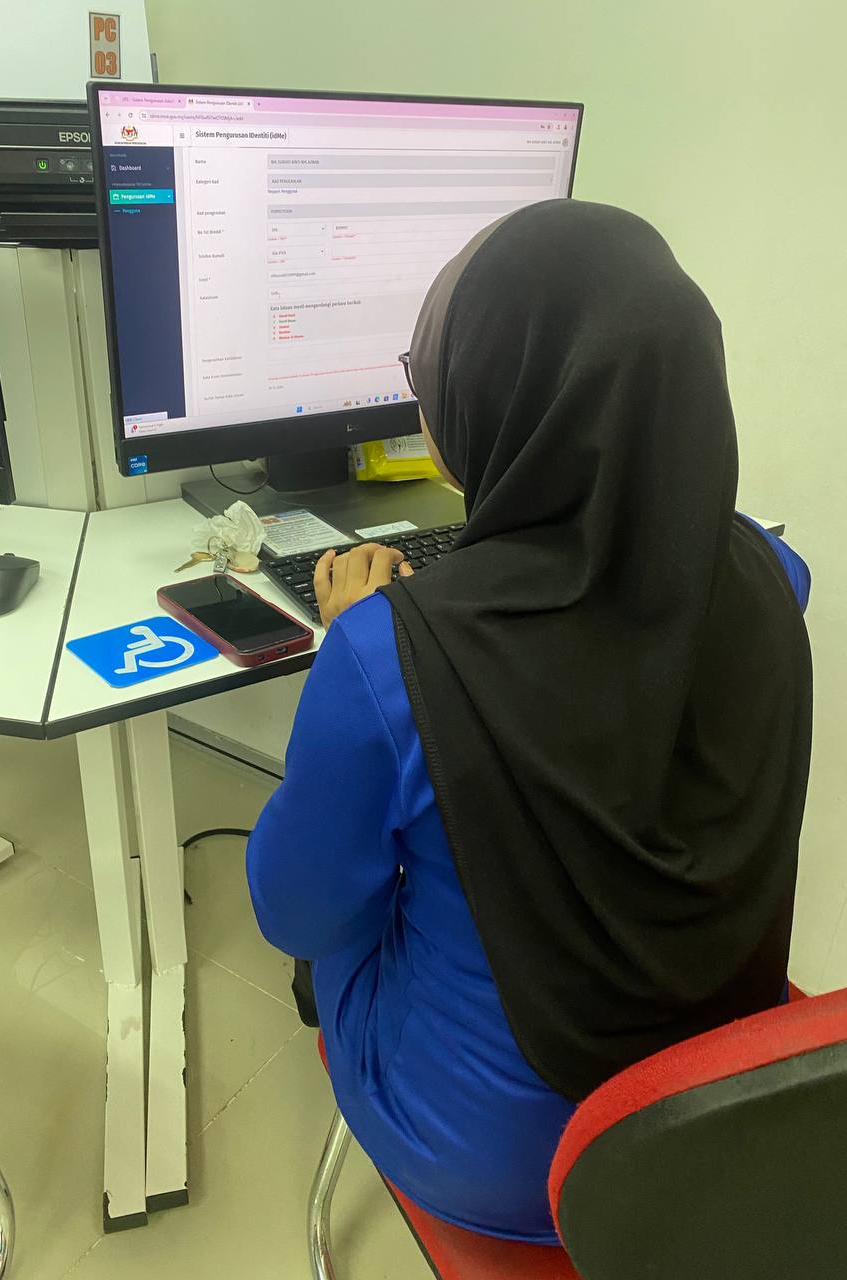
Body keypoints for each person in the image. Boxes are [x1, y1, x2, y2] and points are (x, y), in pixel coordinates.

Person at [246, 200, 812, 1243]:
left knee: (339, 902)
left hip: (510, 1167)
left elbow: (297, 915)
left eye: (427, 375)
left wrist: (346, 645)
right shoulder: (774, 572)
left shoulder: (384, 656)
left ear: (485, 408)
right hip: (725, 1101)